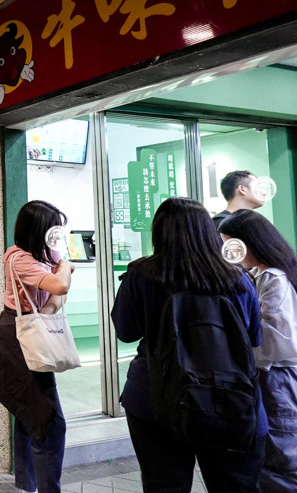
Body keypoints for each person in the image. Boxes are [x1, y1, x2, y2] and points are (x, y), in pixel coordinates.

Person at [112, 197, 266, 492]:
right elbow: (253, 339)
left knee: (164, 486)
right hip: (232, 398)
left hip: (155, 397)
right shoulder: (238, 278)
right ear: (208, 230)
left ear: (158, 232)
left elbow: (126, 332)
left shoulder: (141, 274)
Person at [0, 200, 72, 493]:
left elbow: (56, 301)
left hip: (28, 335)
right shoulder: (19, 258)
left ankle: (27, 485)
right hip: (16, 342)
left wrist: (43, 317)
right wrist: (66, 266)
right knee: (48, 422)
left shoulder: (43, 256)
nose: (56, 236)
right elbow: (60, 288)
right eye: (52, 229)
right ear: (38, 230)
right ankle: (44, 489)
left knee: (29, 415)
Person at [218, 210, 297, 492]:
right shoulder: (262, 274)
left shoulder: (273, 278)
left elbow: (276, 343)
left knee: (281, 453)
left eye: (233, 245)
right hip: (271, 375)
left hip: (276, 376)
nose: (231, 252)